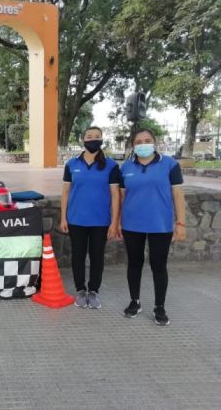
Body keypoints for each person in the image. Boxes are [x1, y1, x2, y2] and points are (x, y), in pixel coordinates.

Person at [119, 128, 186, 326]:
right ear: (133, 145)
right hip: (132, 224)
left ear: (155, 142)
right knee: (134, 263)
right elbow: (121, 197)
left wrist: (181, 223)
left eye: (147, 140)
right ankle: (135, 302)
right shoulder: (125, 167)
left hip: (160, 224)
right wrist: (116, 222)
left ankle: (159, 306)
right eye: (138, 141)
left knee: (158, 265)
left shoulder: (170, 164)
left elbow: (178, 195)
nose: (143, 144)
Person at [60, 126, 120, 309]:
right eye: (89, 136)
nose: (93, 139)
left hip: (100, 221)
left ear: (102, 140)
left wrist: (114, 222)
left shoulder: (111, 165)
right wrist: (63, 217)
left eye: (97, 137)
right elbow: (65, 193)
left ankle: (93, 291)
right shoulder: (71, 164)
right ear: (82, 139)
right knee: (77, 256)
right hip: (76, 219)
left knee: (97, 256)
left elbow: (116, 195)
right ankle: (80, 289)